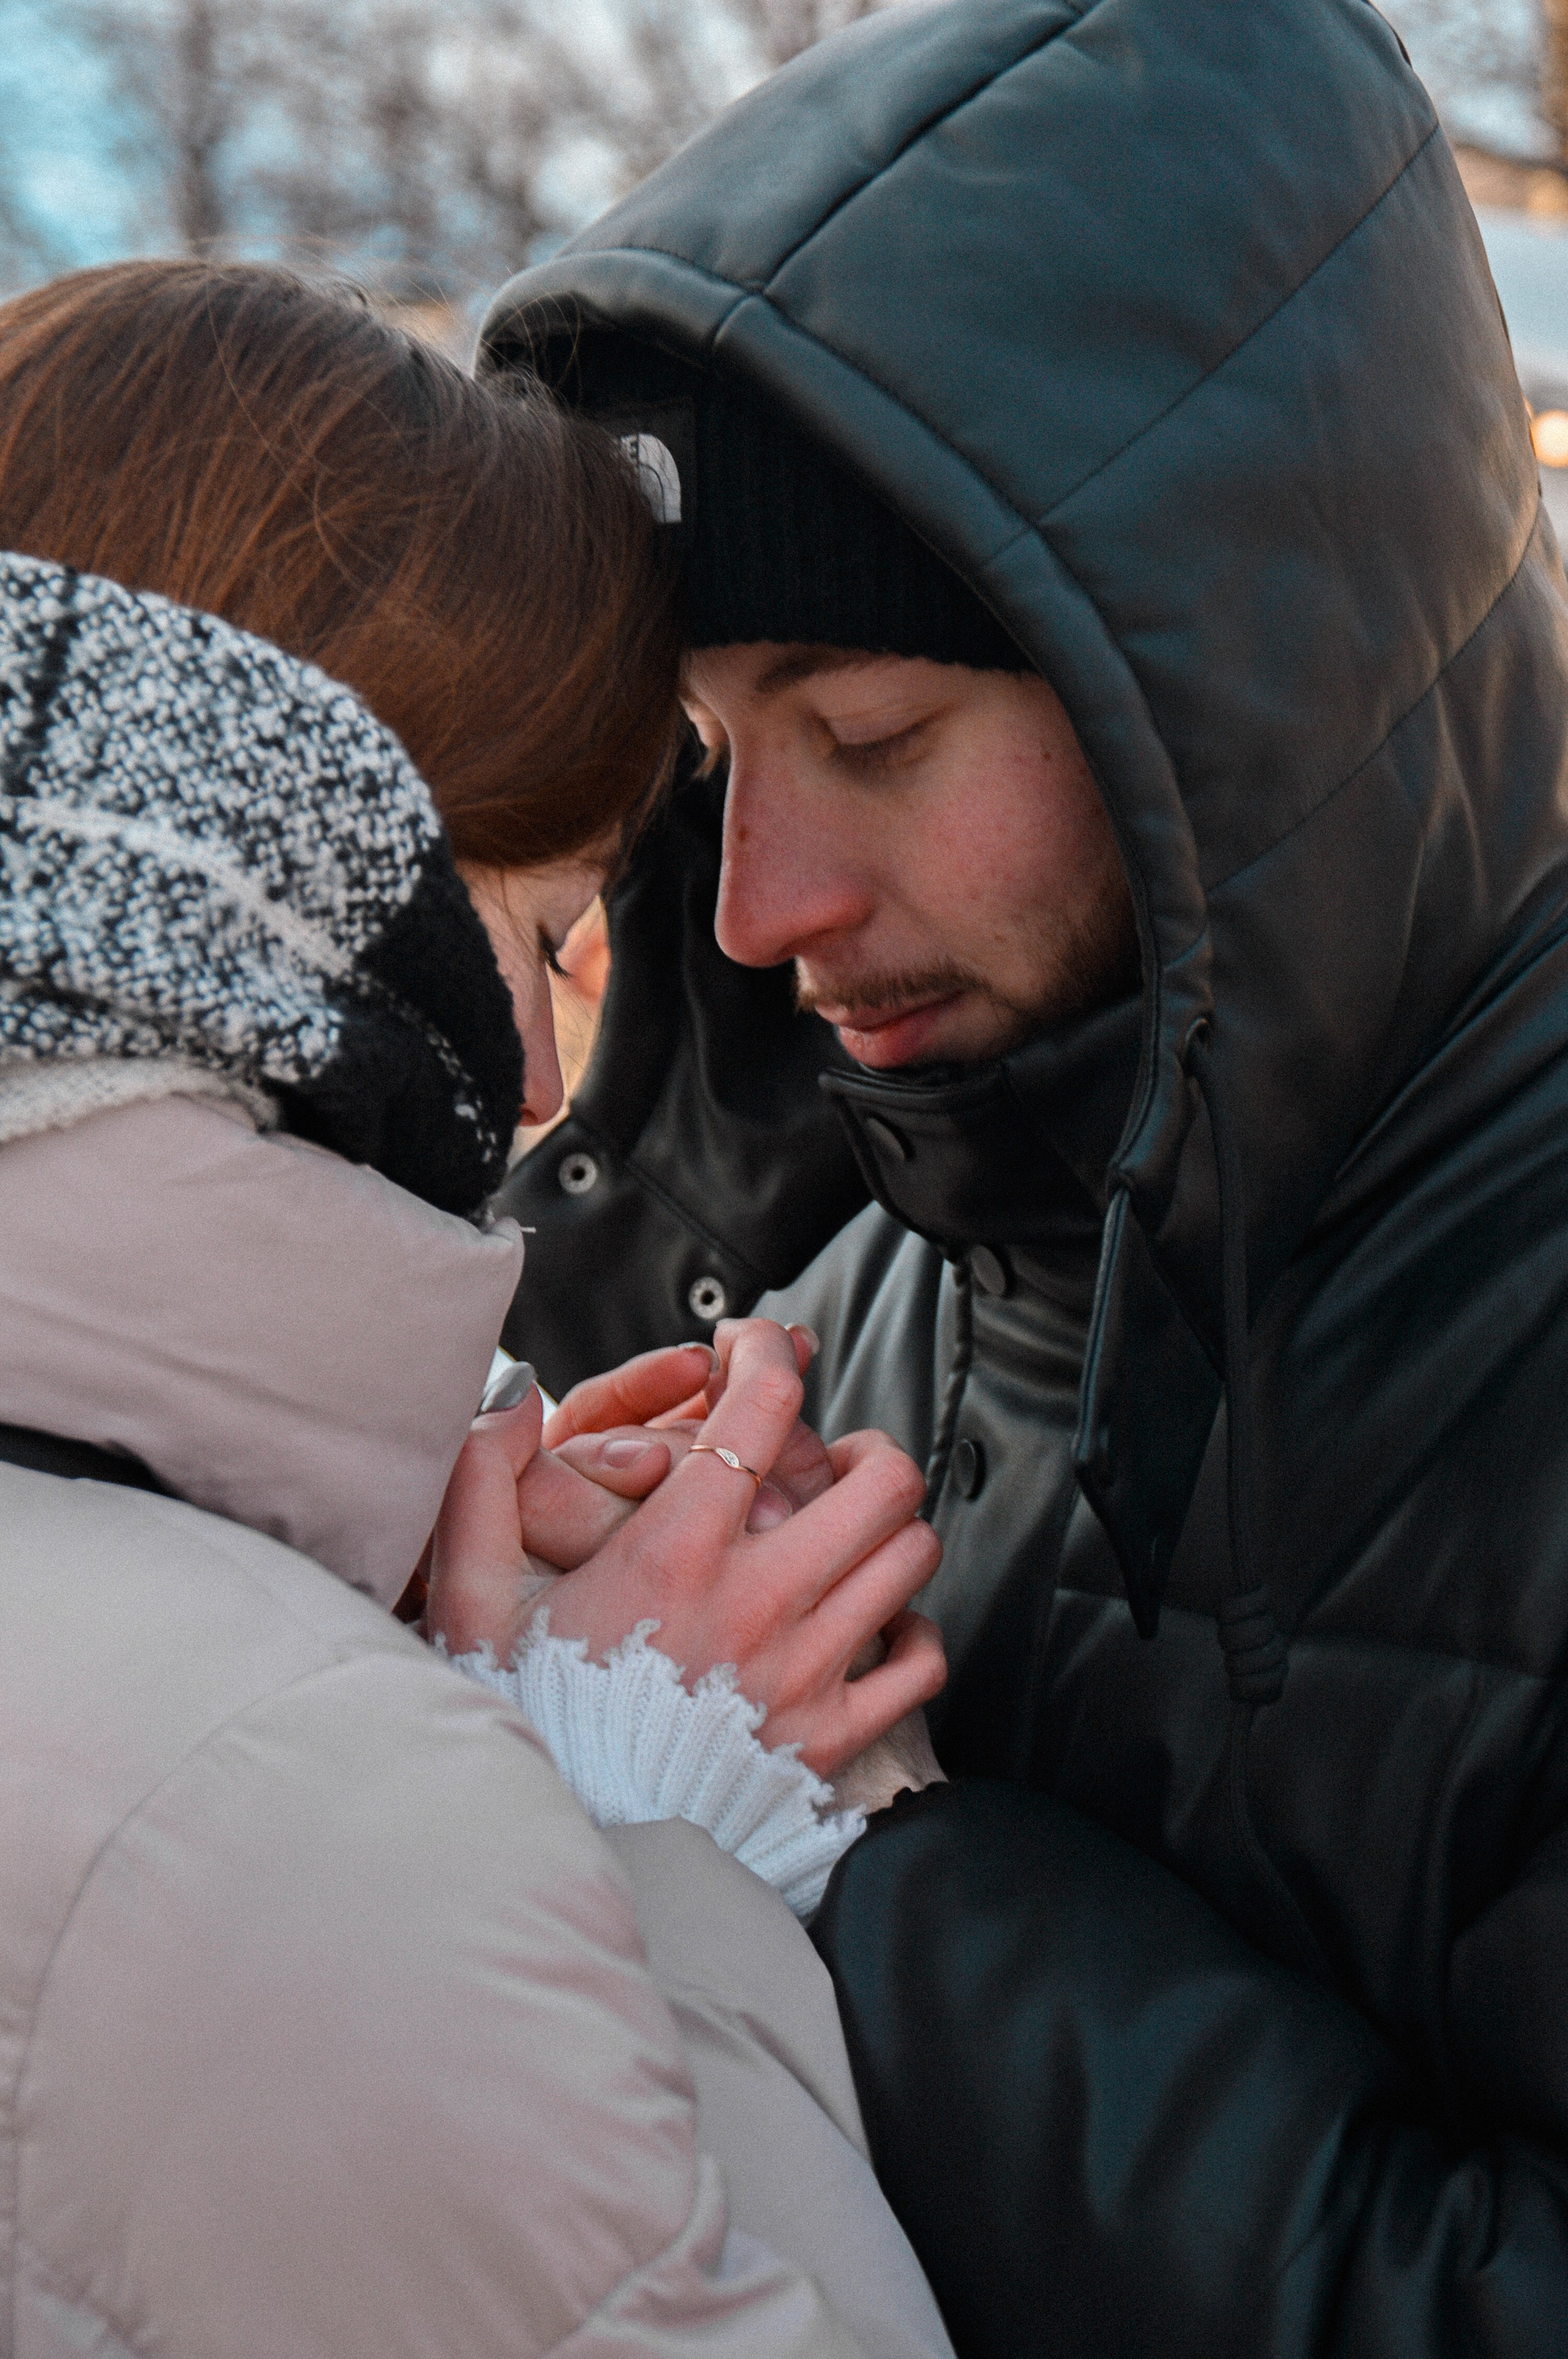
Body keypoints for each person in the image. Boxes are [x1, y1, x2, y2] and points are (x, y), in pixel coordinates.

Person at [478, 1, 1568, 2351]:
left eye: (867, 736)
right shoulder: (878, 1291)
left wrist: (875, 1868)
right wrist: (522, 1686)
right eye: (711, 758)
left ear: (1243, 668)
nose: (755, 905)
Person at [0, 261, 954, 2359]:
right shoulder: (289, 1824)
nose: (534, 1078)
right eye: (528, 928)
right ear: (266, 857)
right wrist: (625, 1819)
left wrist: (390, 1626)